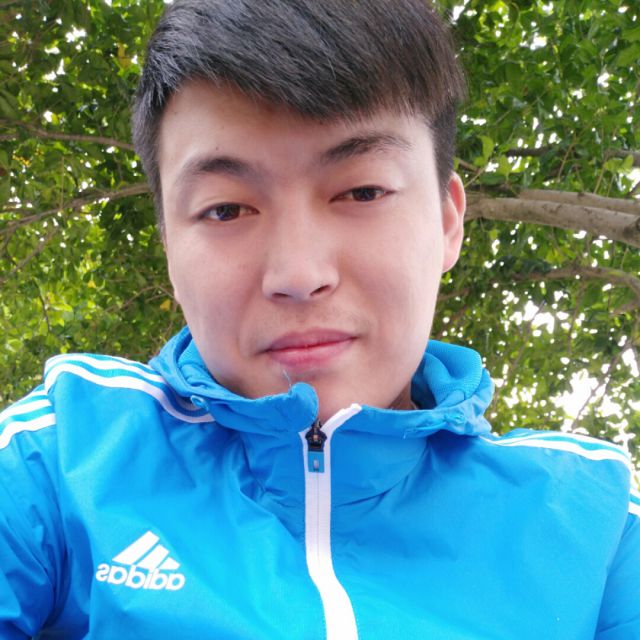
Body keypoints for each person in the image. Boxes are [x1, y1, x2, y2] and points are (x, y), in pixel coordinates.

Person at [1, 1, 638, 638]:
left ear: (447, 222)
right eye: (226, 210)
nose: (298, 274)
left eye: (363, 191)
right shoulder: (58, 459)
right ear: (169, 246)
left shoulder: (598, 524)